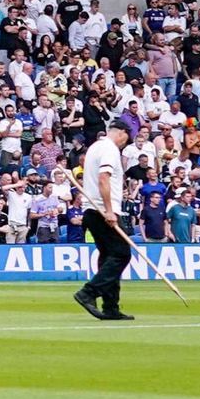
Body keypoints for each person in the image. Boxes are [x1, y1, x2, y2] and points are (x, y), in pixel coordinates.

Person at [75, 112, 136, 321]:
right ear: (121, 133)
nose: (125, 142)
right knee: (121, 254)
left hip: (92, 209)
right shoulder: (110, 149)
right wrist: (110, 210)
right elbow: (103, 179)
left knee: (108, 256)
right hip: (102, 209)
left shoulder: (95, 147)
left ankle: (111, 306)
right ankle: (89, 292)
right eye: (126, 137)